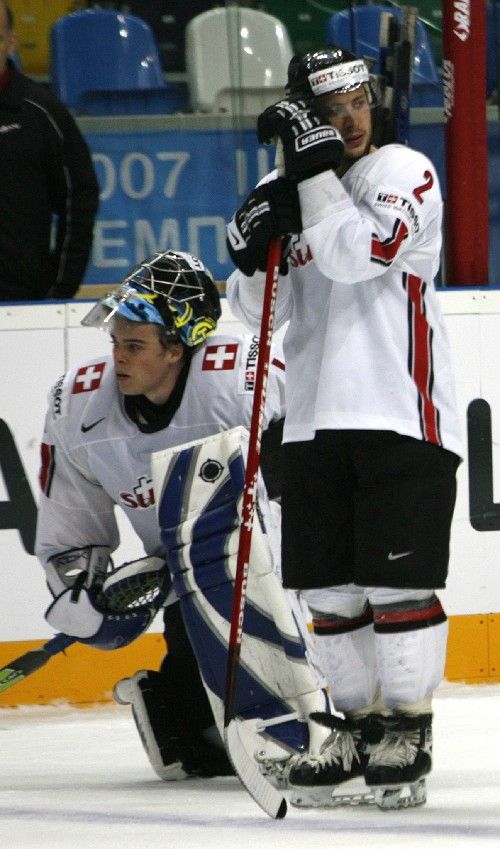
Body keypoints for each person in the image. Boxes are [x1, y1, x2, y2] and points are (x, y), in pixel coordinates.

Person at [225, 46, 463, 810]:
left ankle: (409, 727)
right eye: (331, 109)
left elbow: (362, 255)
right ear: (304, 113)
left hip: (399, 408)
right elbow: (260, 307)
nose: (351, 118)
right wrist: (251, 251)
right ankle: (358, 730)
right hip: (313, 419)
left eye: (359, 99)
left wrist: (312, 172)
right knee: (328, 591)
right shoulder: (286, 183)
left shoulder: (404, 171)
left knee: (396, 583)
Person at [34, 249, 292, 782]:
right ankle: (170, 704)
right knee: (202, 754)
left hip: (269, 561)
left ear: (176, 349)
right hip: (182, 572)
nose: (118, 359)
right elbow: (71, 526)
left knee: (276, 691)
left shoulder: (243, 379)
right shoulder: (79, 406)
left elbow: (301, 488)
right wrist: (82, 590)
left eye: (134, 345)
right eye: (115, 343)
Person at [0, 2, 99, 301]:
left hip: (18, 298)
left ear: (10, 43)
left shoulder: (41, 113)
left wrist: (60, 288)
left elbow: (78, 201)